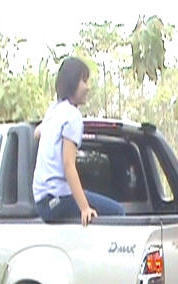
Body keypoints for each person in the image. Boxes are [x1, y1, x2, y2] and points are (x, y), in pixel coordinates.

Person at [33, 57, 125, 226]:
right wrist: (84, 208)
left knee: (89, 198)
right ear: (72, 82)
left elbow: (36, 133)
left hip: (43, 201)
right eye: (84, 81)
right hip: (57, 198)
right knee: (118, 211)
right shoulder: (72, 116)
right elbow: (68, 165)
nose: (88, 87)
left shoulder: (54, 110)